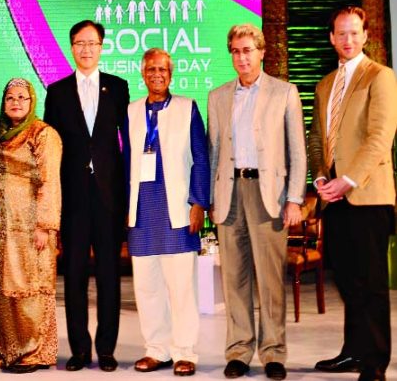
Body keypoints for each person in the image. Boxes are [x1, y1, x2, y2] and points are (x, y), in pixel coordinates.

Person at [208, 24, 306, 381]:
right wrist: (210, 201)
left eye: (248, 50)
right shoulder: (217, 96)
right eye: (235, 51)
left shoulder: (285, 92)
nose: (242, 57)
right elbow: (213, 151)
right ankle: (238, 350)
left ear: (262, 52)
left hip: (270, 196)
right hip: (230, 194)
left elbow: (297, 150)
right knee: (234, 279)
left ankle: (274, 352)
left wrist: (295, 198)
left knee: (269, 280)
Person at [307, 6, 397, 381]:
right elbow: (316, 138)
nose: (347, 40)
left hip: (368, 196)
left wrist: (348, 180)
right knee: (346, 279)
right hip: (334, 199)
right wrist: (319, 178)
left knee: (372, 283)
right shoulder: (326, 83)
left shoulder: (381, 77)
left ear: (365, 35)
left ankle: (375, 362)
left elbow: (379, 138)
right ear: (331, 38)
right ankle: (353, 351)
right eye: (340, 34)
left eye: (354, 33)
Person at [43, 19, 129, 372]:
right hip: (73, 198)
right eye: (80, 43)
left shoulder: (118, 88)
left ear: (102, 46)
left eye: (92, 43)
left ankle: (106, 348)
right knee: (75, 275)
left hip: (109, 198)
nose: (86, 49)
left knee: (110, 274)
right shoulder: (57, 91)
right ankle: (79, 349)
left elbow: (129, 143)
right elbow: (50, 150)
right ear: (71, 47)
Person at [126, 48, 209, 377]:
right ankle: (156, 349)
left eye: (163, 69)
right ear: (143, 73)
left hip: (177, 211)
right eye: (151, 69)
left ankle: (184, 351)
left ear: (171, 73)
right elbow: (127, 162)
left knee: (182, 287)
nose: (157, 74)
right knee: (147, 287)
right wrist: (125, 208)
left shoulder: (188, 108)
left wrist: (199, 202)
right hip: (143, 212)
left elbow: (201, 158)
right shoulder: (132, 112)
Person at [0, 78, 62, 374]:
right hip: (1, 226)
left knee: (30, 286)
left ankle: (33, 351)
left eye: (22, 97)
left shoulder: (43, 133)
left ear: (32, 101)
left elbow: (50, 180)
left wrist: (45, 225)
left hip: (32, 225)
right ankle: (6, 348)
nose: (16, 102)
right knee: (2, 287)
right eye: (10, 97)